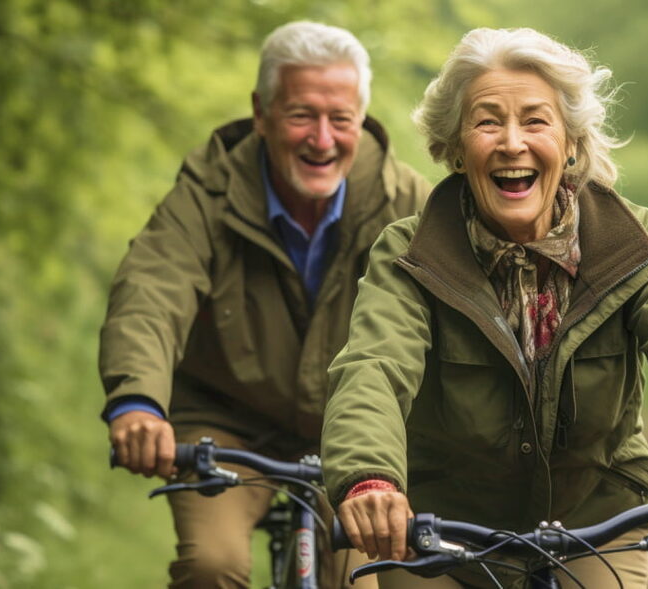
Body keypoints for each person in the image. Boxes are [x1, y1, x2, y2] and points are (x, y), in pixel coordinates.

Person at [320, 27, 648, 589]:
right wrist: (371, 481)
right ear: (457, 150)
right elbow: (373, 370)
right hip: (444, 528)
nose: (512, 142)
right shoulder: (411, 254)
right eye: (488, 122)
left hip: (598, 517)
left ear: (570, 144)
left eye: (535, 121)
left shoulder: (630, 244)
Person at [100, 21, 430, 589]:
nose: (322, 139)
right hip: (224, 425)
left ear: (361, 119)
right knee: (212, 565)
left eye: (340, 119)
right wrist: (138, 401)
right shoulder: (208, 191)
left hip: (355, 433)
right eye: (302, 114)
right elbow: (153, 288)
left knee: (365, 578)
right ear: (261, 113)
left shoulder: (407, 205)